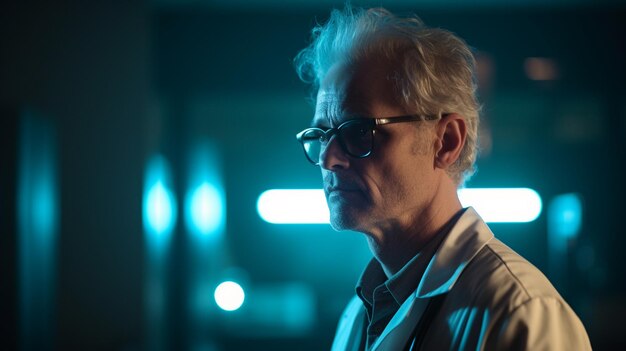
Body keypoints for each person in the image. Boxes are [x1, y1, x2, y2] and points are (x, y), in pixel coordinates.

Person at [294, 7, 591, 351]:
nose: (329, 159)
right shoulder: (358, 315)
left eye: (359, 131)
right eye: (322, 134)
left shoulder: (521, 311)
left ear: (446, 141)